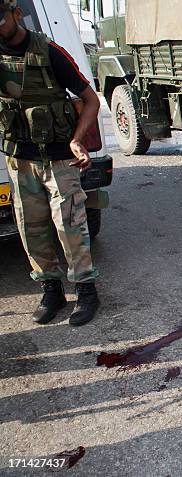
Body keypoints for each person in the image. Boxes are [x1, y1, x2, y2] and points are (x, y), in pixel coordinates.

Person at [0, 1, 101, 325]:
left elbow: (90, 99)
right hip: (21, 161)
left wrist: (77, 140)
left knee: (70, 227)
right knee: (32, 230)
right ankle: (51, 290)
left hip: (59, 160)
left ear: (17, 14)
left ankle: (86, 291)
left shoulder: (49, 52)